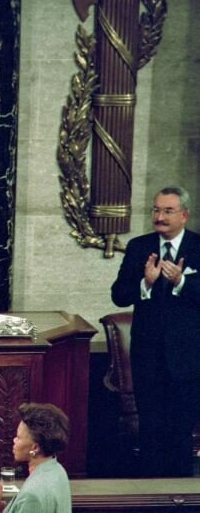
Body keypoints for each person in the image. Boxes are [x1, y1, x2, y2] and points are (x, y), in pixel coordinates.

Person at [111, 186, 199, 477]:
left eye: (167, 211)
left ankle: (183, 498)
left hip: (186, 359)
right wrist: (145, 284)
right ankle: (147, 495)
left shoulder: (198, 248)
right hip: (147, 356)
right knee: (151, 429)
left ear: (184, 215)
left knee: (180, 431)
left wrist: (182, 283)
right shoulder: (139, 247)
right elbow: (119, 295)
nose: (159, 217)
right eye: (156, 210)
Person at [0, 402, 71, 513]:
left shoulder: (32, 495)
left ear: (35, 448)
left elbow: (32, 502)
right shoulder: (57, 470)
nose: (14, 441)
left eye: (19, 437)